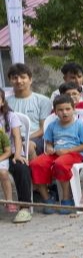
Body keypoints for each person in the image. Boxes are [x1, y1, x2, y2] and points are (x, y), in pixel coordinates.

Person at [31, 95, 83, 214]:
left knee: (60, 164)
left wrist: (68, 151)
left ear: (73, 109)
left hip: (75, 153)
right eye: (60, 110)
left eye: (67, 109)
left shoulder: (80, 125)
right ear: (55, 112)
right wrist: (49, 148)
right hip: (56, 153)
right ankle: (47, 199)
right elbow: (48, 142)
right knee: (36, 164)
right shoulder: (52, 125)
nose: (64, 112)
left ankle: (66, 199)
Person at [0, 88, 34, 223]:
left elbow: (17, 136)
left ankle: (24, 208)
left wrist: (18, 154)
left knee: (22, 168)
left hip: (12, 152)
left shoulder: (10, 116)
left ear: (2, 102)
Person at [7, 63, 52, 155]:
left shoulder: (43, 101)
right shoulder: (5, 102)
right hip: (11, 138)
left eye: (23, 77)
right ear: (10, 81)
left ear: (30, 80)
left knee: (28, 146)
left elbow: (43, 128)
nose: (19, 81)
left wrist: (26, 138)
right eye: (15, 78)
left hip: (36, 138)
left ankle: (34, 169)